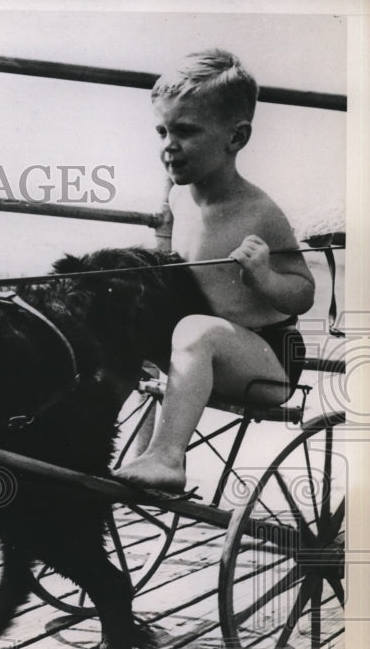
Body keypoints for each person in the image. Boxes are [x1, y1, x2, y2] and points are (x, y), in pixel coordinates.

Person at [113, 49, 314, 493]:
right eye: (162, 130)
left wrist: (264, 277)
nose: (169, 144)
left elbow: (303, 291)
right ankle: (119, 451)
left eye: (185, 131)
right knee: (119, 319)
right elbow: (171, 271)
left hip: (267, 363)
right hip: (205, 348)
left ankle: (168, 457)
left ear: (236, 138)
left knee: (194, 330)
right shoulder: (179, 198)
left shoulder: (258, 211)